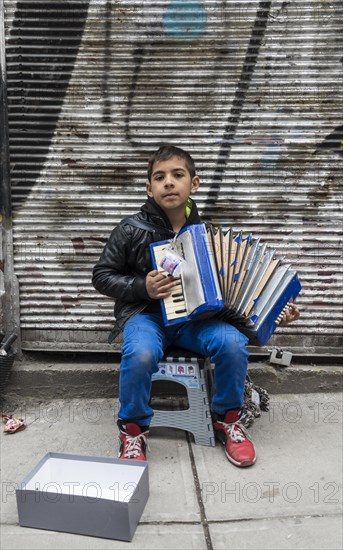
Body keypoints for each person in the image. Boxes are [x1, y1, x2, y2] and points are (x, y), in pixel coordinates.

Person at [92, 144, 300, 467]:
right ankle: (132, 430)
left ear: (195, 183)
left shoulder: (209, 238)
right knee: (141, 352)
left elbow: (237, 296)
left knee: (232, 343)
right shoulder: (130, 229)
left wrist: (275, 315)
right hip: (147, 317)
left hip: (195, 323)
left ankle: (228, 418)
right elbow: (102, 275)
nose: (169, 183)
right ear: (149, 188)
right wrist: (141, 286)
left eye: (178, 175)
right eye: (159, 177)